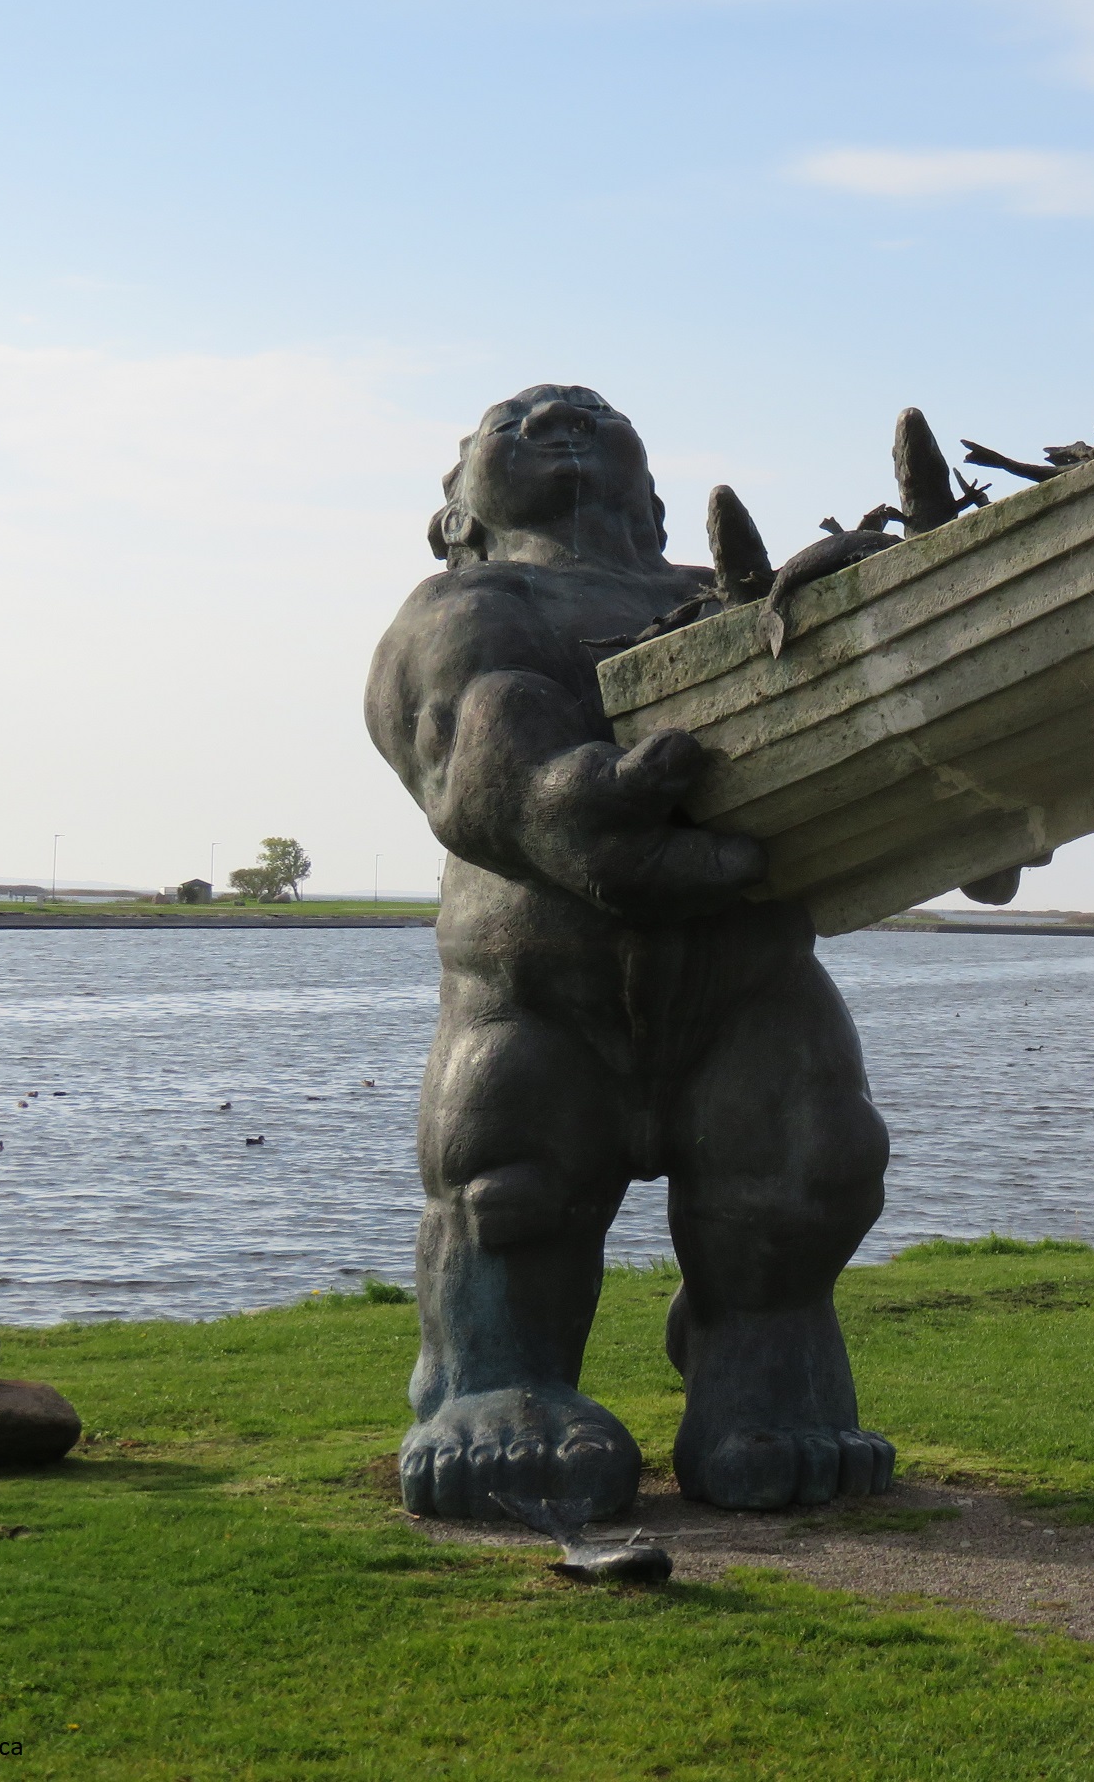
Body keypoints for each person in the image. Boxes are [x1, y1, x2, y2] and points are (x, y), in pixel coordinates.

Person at [365, 384, 894, 1522]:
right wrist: (547, 794)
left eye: (594, 416)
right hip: (533, 987)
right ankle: (491, 1382)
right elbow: (465, 728)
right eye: (512, 423)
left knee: (807, 1170)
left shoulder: (730, 598)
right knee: (511, 1187)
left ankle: (760, 1374)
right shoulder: (467, 602)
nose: (559, 416)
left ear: (652, 496)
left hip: (747, 975)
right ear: (457, 513)